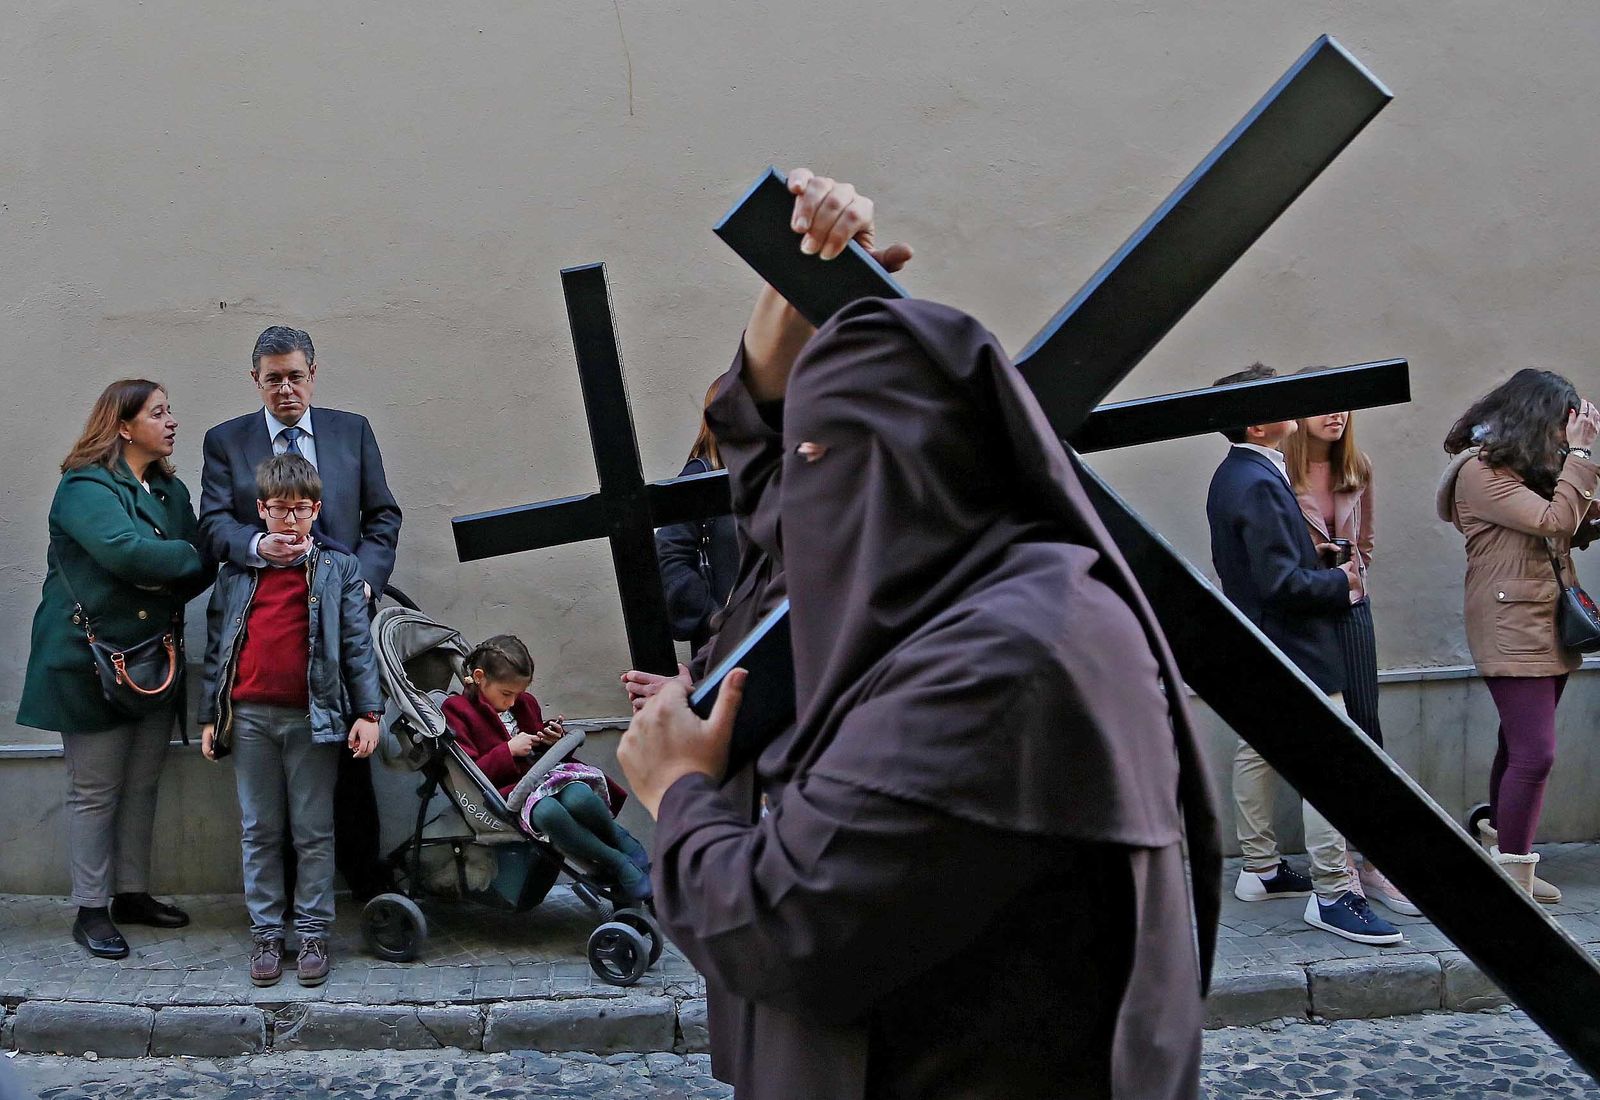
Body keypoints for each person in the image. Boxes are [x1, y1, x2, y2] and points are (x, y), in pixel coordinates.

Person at [619, 174, 1221, 1100]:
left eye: (827, 462)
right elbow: (783, 494)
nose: (806, 503)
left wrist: (678, 793)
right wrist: (794, 289)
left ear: (910, 467)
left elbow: (786, 930)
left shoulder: (1010, 653)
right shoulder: (949, 565)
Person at [199, 325, 401, 901]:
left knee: (348, 758)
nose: (285, 389)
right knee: (277, 789)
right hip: (270, 625)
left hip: (341, 621)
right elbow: (213, 523)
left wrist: (362, 582)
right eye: (273, 379)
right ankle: (281, 901)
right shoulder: (227, 441)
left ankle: (365, 882)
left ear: (313, 374)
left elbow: (383, 516)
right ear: (255, 381)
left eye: (295, 376)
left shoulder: (350, 431)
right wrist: (256, 547)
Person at [18, 379, 215, 959]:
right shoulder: (84, 485)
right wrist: (175, 562)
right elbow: (125, 552)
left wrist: (171, 566)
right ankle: (91, 908)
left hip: (154, 656)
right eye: (159, 412)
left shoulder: (169, 490)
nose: (172, 421)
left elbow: (196, 565)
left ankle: (131, 893)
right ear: (124, 426)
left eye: (170, 410)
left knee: (143, 782)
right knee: (96, 789)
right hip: (89, 659)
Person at [1207, 363, 1401, 946]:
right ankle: (1333, 892)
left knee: (1259, 749)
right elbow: (1281, 583)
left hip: (1262, 637)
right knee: (1331, 763)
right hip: (1293, 644)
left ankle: (1262, 871)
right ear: (1260, 424)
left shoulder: (1236, 473)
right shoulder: (1260, 481)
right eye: (1280, 399)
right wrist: (1341, 581)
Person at [198, 455, 383, 988]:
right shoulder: (238, 572)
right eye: (279, 510)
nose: (291, 520)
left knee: (313, 830)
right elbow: (218, 649)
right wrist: (212, 717)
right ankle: (265, 934)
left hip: (314, 717)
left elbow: (356, 646)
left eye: (301, 510)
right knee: (259, 829)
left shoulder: (336, 568)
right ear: (261, 510)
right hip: (250, 716)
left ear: (317, 509)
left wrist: (368, 712)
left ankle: (313, 933)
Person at [1438, 370, 1600, 901]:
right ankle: (1512, 879)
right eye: (1561, 424)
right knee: (1537, 752)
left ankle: (1503, 847)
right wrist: (1580, 459)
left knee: (1517, 743)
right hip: (1510, 626)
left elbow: (1566, 526)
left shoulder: (1526, 468)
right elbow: (1553, 521)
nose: (1565, 435)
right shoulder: (1481, 474)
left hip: (1545, 621)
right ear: (1535, 418)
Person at [1281, 380, 1418, 917]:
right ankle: (1328, 867)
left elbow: (1366, 544)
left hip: (1353, 609)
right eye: (1323, 404)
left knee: (1367, 730)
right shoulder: (1278, 476)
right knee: (1322, 735)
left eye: (1343, 405)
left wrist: (1355, 579)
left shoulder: (1357, 468)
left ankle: (1374, 862)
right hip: (1306, 613)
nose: (1336, 413)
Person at [442, 635, 650, 900]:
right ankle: (620, 863)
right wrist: (508, 751)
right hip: (510, 791)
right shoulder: (458, 710)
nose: (513, 702)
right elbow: (471, 771)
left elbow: (537, 742)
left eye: (519, 693)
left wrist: (548, 738)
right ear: (480, 677)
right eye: (507, 694)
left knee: (581, 797)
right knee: (550, 813)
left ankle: (624, 843)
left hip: (545, 775)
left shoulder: (525, 703)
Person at [655, 383, 741, 654]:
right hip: (725, 648)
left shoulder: (771, 472)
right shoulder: (701, 477)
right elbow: (669, 556)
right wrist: (716, 619)